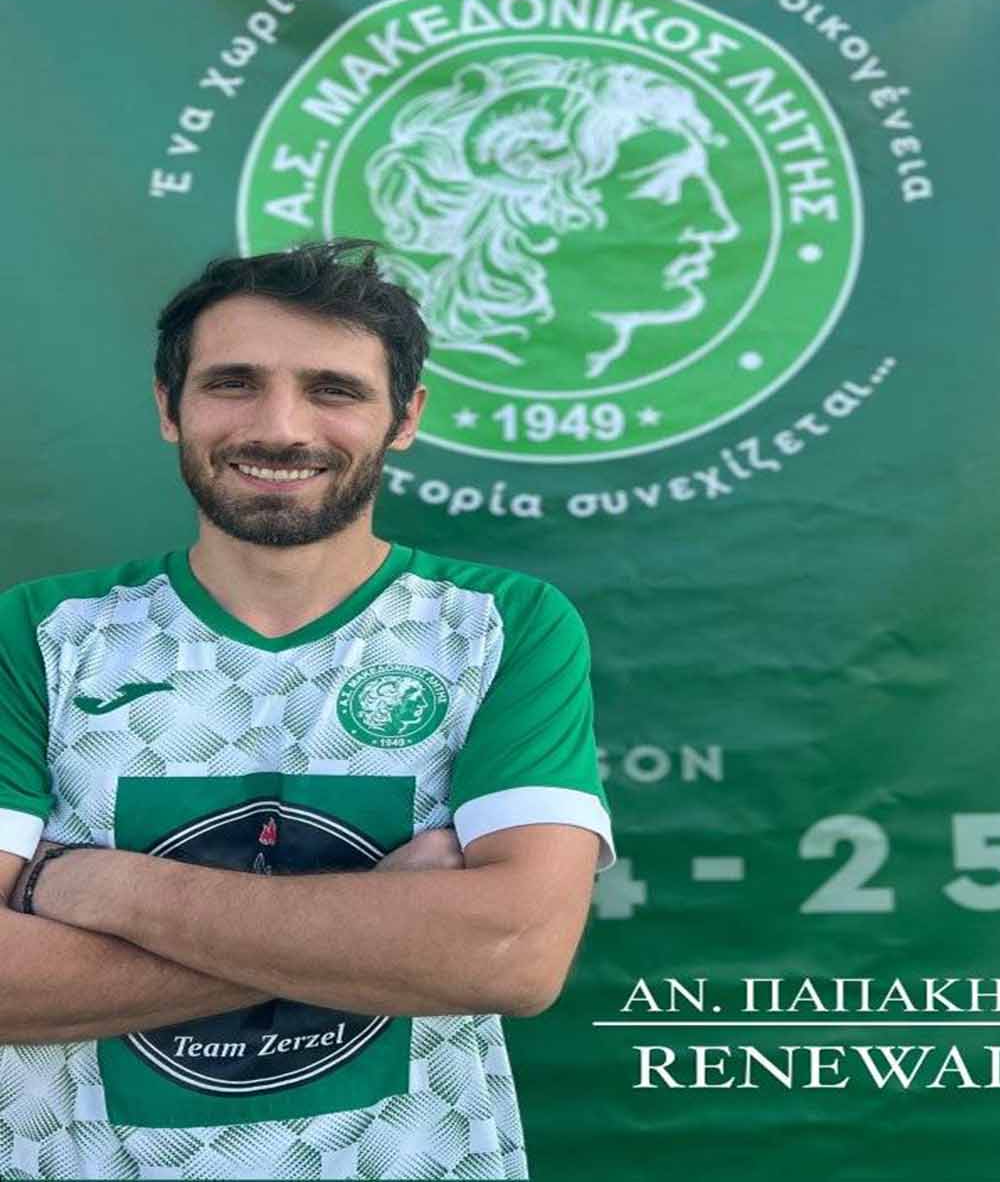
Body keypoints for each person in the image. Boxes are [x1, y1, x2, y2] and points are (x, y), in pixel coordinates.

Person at [0, 238, 615, 1181]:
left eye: (334, 390)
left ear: (405, 418)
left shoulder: (500, 625)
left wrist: (102, 891)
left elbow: (515, 956)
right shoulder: (38, 633)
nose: (281, 428)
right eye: (233, 383)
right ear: (168, 406)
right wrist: (388, 930)